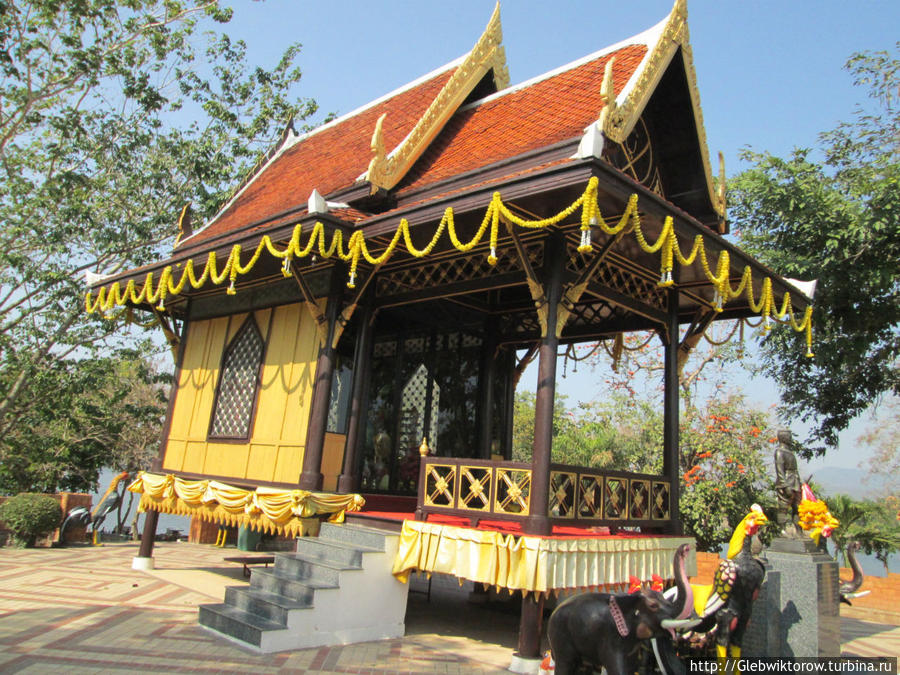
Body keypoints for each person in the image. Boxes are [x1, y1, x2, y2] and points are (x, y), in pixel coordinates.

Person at [774, 429, 802, 538]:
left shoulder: (790, 452)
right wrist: (784, 485)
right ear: (784, 438)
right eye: (789, 437)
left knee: (797, 508)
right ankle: (782, 531)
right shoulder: (779, 452)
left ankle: (799, 531)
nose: (791, 439)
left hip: (795, 482)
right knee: (783, 508)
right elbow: (779, 470)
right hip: (786, 482)